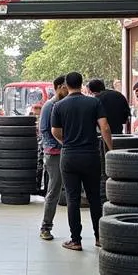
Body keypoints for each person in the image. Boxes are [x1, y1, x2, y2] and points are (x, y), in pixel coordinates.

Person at [51, 72, 114, 251]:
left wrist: (67, 142)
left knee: (72, 198)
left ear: (66, 85)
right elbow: (105, 127)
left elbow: (55, 131)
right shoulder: (94, 102)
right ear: (82, 84)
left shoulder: (59, 106)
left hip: (69, 156)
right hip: (91, 155)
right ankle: (99, 238)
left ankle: (76, 240)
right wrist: (110, 149)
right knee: (95, 198)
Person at [37, 76, 67, 241]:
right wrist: (61, 144)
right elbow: (45, 130)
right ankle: (45, 227)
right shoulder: (49, 106)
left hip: (68, 151)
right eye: (64, 87)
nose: (67, 90)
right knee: (54, 191)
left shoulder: (65, 105)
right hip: (54, 153)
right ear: (58, 87)